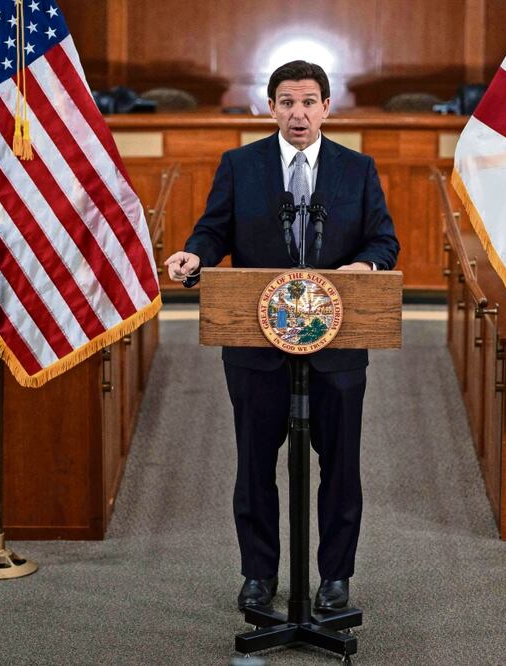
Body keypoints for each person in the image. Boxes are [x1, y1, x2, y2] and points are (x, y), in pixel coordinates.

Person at [164, 60, 399, 613]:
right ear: (270, 108)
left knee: (341, 468)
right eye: (287, 102)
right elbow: (214, 228)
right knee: (253, 465)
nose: (298, 112)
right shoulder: (240, 165)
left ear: (326, 108)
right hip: (254, 345)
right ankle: (258, 574)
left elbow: (382, 241)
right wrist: (194, 253)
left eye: (309, 101)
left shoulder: (357, 169)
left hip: (337, 345)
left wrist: (364, 270)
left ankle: (335, 579)